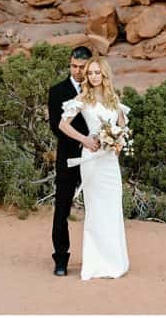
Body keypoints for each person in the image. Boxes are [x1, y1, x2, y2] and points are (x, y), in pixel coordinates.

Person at [58, 56, 130, 280]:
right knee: (96, 209)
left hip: (109, 161)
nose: (94, 76)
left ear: (104, 74)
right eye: (90, 73)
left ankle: (114, 262)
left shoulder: (113, 98)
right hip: (91, 159)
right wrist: (85, 139)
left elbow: (123, 126)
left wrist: (118, 142)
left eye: (97, 72)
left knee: (112, 208)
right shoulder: (82, 98)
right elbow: (63, 124)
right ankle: (96, 263)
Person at [47, 45, 96, 276]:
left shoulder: (97, 89)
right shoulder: (57, 91)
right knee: (62, 208)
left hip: (95, 158)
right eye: (73, 66)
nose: (77, 71)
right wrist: (80, 142)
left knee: (96, 208)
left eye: (81, 67)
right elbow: (56, 126)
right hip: (68, 156)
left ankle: (96, 258)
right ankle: (61, 259)